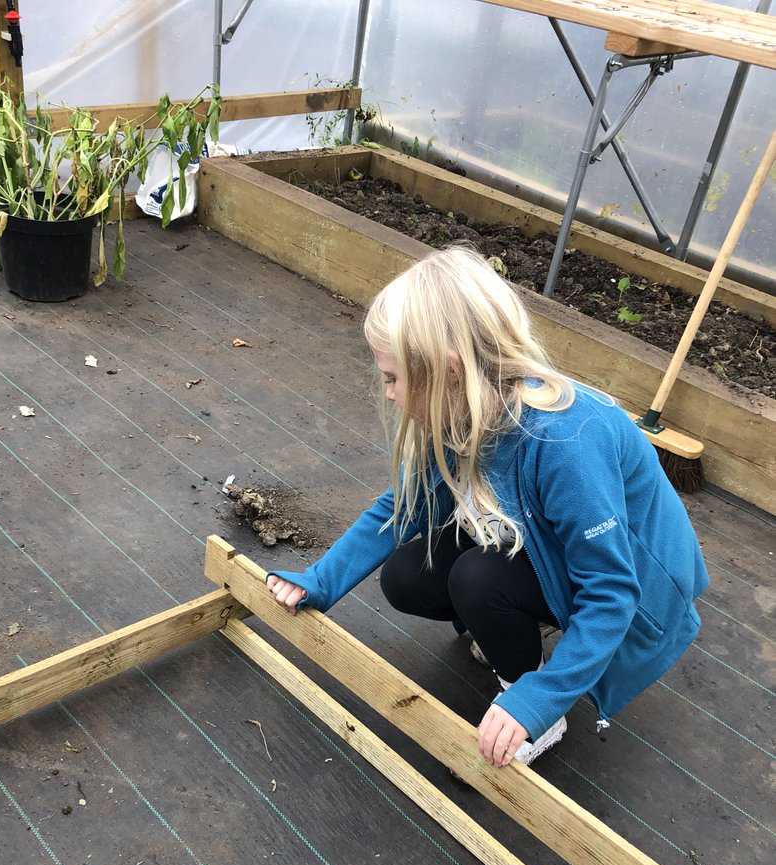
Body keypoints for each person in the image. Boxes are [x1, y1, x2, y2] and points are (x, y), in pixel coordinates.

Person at [266, 245, 708, 768]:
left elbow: (612, 593)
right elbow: (400, 508)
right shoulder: (459, 409)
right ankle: (514, 632)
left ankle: (532, 703)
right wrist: (321, 579)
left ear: (449, 371)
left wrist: (538, 699)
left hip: (636, 589)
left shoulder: (565, 442)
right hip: (539, 539)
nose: (388, 393)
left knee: (479, 579)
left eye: (392, 377)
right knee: (407, 574)